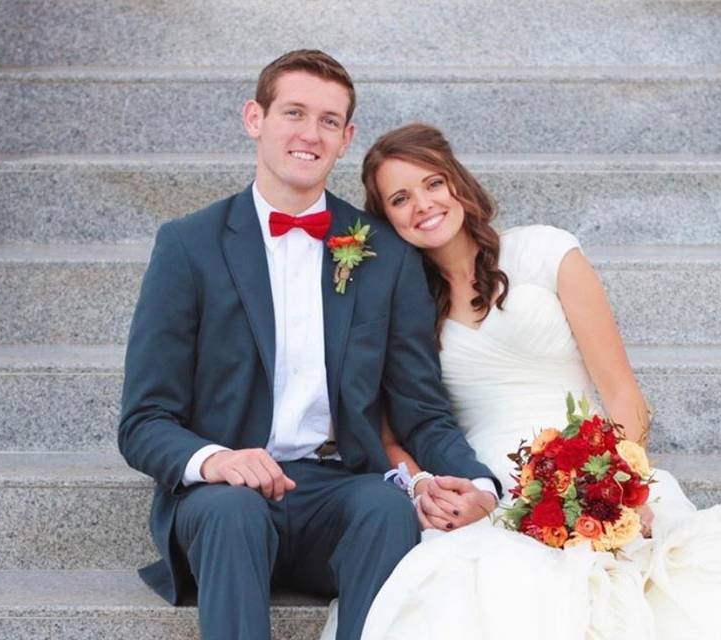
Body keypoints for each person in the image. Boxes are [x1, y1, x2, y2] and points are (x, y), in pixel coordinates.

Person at [340, 123, 721, 640]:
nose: (422, 204)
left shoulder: (547, 253)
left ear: (458, 184)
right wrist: (426, 485)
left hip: (598, 468)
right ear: (386, 218)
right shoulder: (406, 306)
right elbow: (399, 431)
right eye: (399, 199)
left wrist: (609, 489)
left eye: (432, 183)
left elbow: (625, 394)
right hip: (490, 490)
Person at [117, 53, 499, 640]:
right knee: (229, 508)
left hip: (337, 488)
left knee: (386, 508)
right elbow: (145, 420)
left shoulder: (384, 255)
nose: (309, 133)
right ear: (255, 118)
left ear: (346, 139)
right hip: (227, 501)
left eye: (328, 120)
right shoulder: (188, 246)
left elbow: (421, 411)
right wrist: (215, 460)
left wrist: (481, 487)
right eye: (293, 112)